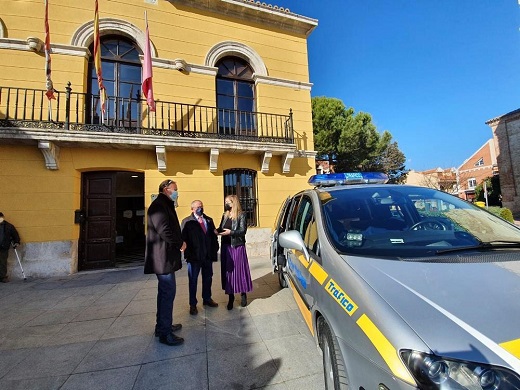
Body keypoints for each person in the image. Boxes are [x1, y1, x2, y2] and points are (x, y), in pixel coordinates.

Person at [144, 179, 186, 346]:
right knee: (168, 293)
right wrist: (179, 243)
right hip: (163, 258)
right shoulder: (159, 205)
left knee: (165, 293)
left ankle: (162, 326)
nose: (177, 192)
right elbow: (164, 231)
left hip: (165, 257)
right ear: (166, 189)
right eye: (175, 189)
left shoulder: (164, 204)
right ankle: (165, 334)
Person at [181, 200, 219, 315]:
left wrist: (214, 249)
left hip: (207, 256)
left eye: (201, 206)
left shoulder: (209, 220)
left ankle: (207, 299)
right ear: (192, 209)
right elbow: (183, 239)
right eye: (198, 207)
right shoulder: (187, 222)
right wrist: (187, 254)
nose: (200, 208)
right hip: (194, 258)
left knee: (208, 278)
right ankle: (193, 304)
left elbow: (213, 236)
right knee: (193, 280)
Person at [218, 195, 253, 310]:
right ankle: (231, 297)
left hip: (237, 247)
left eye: (228, 202)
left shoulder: (242, 215)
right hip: (226, 247)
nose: (226, 204)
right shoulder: (225, 215)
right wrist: (216, 231)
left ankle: (243, 294)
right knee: (228, 273)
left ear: (234, 203)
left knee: (239, 271)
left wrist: (231, 232)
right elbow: (221, 228)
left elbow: (243, 231)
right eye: (225, 202)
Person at [0, 212, 21, 283]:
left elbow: (15, 234)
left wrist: (17, 242)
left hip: (3, 246)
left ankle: (2, 277)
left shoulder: (9, 226)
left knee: (2, 262)